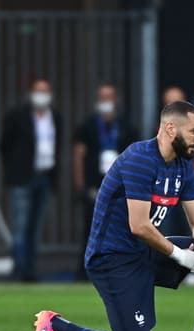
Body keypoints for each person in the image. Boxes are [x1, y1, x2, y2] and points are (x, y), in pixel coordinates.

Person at [29, 101, 194, 331]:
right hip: (112, 258)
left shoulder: (184, 166)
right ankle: (57, 326)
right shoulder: (140, 159)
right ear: (169, 128)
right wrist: (179, 255)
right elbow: (139, 225)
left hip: (145, 251)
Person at [73, 83, 138, 279]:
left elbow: (134, 158)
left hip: (120, 187)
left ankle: (117, 268)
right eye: (102, 97)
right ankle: (85, 270)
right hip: (95, 185)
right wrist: (80, 184)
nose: (106, 102)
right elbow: (78, 154)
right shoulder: (87, 126)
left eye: (109, 97)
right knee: (90, 227)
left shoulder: (126, 127)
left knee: (120, 228)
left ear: (115, 100)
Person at [0, 79, 62, 282]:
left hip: (44, 176)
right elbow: (4, 145)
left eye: (45, 91)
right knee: (21, 225)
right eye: (38, 91)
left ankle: (30, 270)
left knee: (35, 227)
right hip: (23, 178)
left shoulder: (55, 118)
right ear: (30, 93)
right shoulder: (18, 116)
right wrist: (14, 172)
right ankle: (18, 267)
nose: (41, 95)